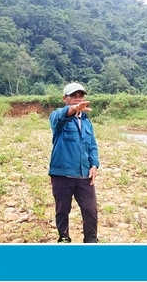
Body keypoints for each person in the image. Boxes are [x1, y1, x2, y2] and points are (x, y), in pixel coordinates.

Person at [48, 82, 100, 243]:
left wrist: (94, 165)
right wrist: (74, 109)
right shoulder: (58, 116)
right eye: (74, 96)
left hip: (84, 174)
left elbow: (92, 145)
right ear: (65, 98)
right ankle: (64, 239)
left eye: (81, 95)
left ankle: (91, 241)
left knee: (90, 210)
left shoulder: (86, 122)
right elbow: (61, 116)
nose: (78, 99)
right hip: (62, 174)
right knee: (62, 210)